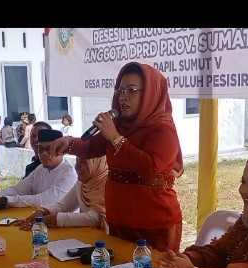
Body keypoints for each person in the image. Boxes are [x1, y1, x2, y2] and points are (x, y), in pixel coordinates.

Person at [46, 61, 185, 252]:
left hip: (154, 225)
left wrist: (116, 138)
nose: (123, 97)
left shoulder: (163, 129)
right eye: (120, 90)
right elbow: (92, 146)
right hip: (119, 222)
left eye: (131, 90)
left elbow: (151, 167)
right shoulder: (120, 126)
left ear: (151, 94)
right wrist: (68, 142)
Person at [0, 128, 76, 208]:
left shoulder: (69, 174)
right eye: (40, 149)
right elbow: (17, 190)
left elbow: (43, 201)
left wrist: (3, 200)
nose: (44, 153)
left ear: (61, 151)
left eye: (49, 149)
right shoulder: (40, 169)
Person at [12, 156, 109, 232]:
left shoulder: (108, 185)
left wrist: (54, 219)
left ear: (98, 163)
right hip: (89, 235)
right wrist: (43, 211)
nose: (77, 166)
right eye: (77, 160)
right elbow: (64, 206)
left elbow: (97, 218)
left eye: (83, 161)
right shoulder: (82, 183)